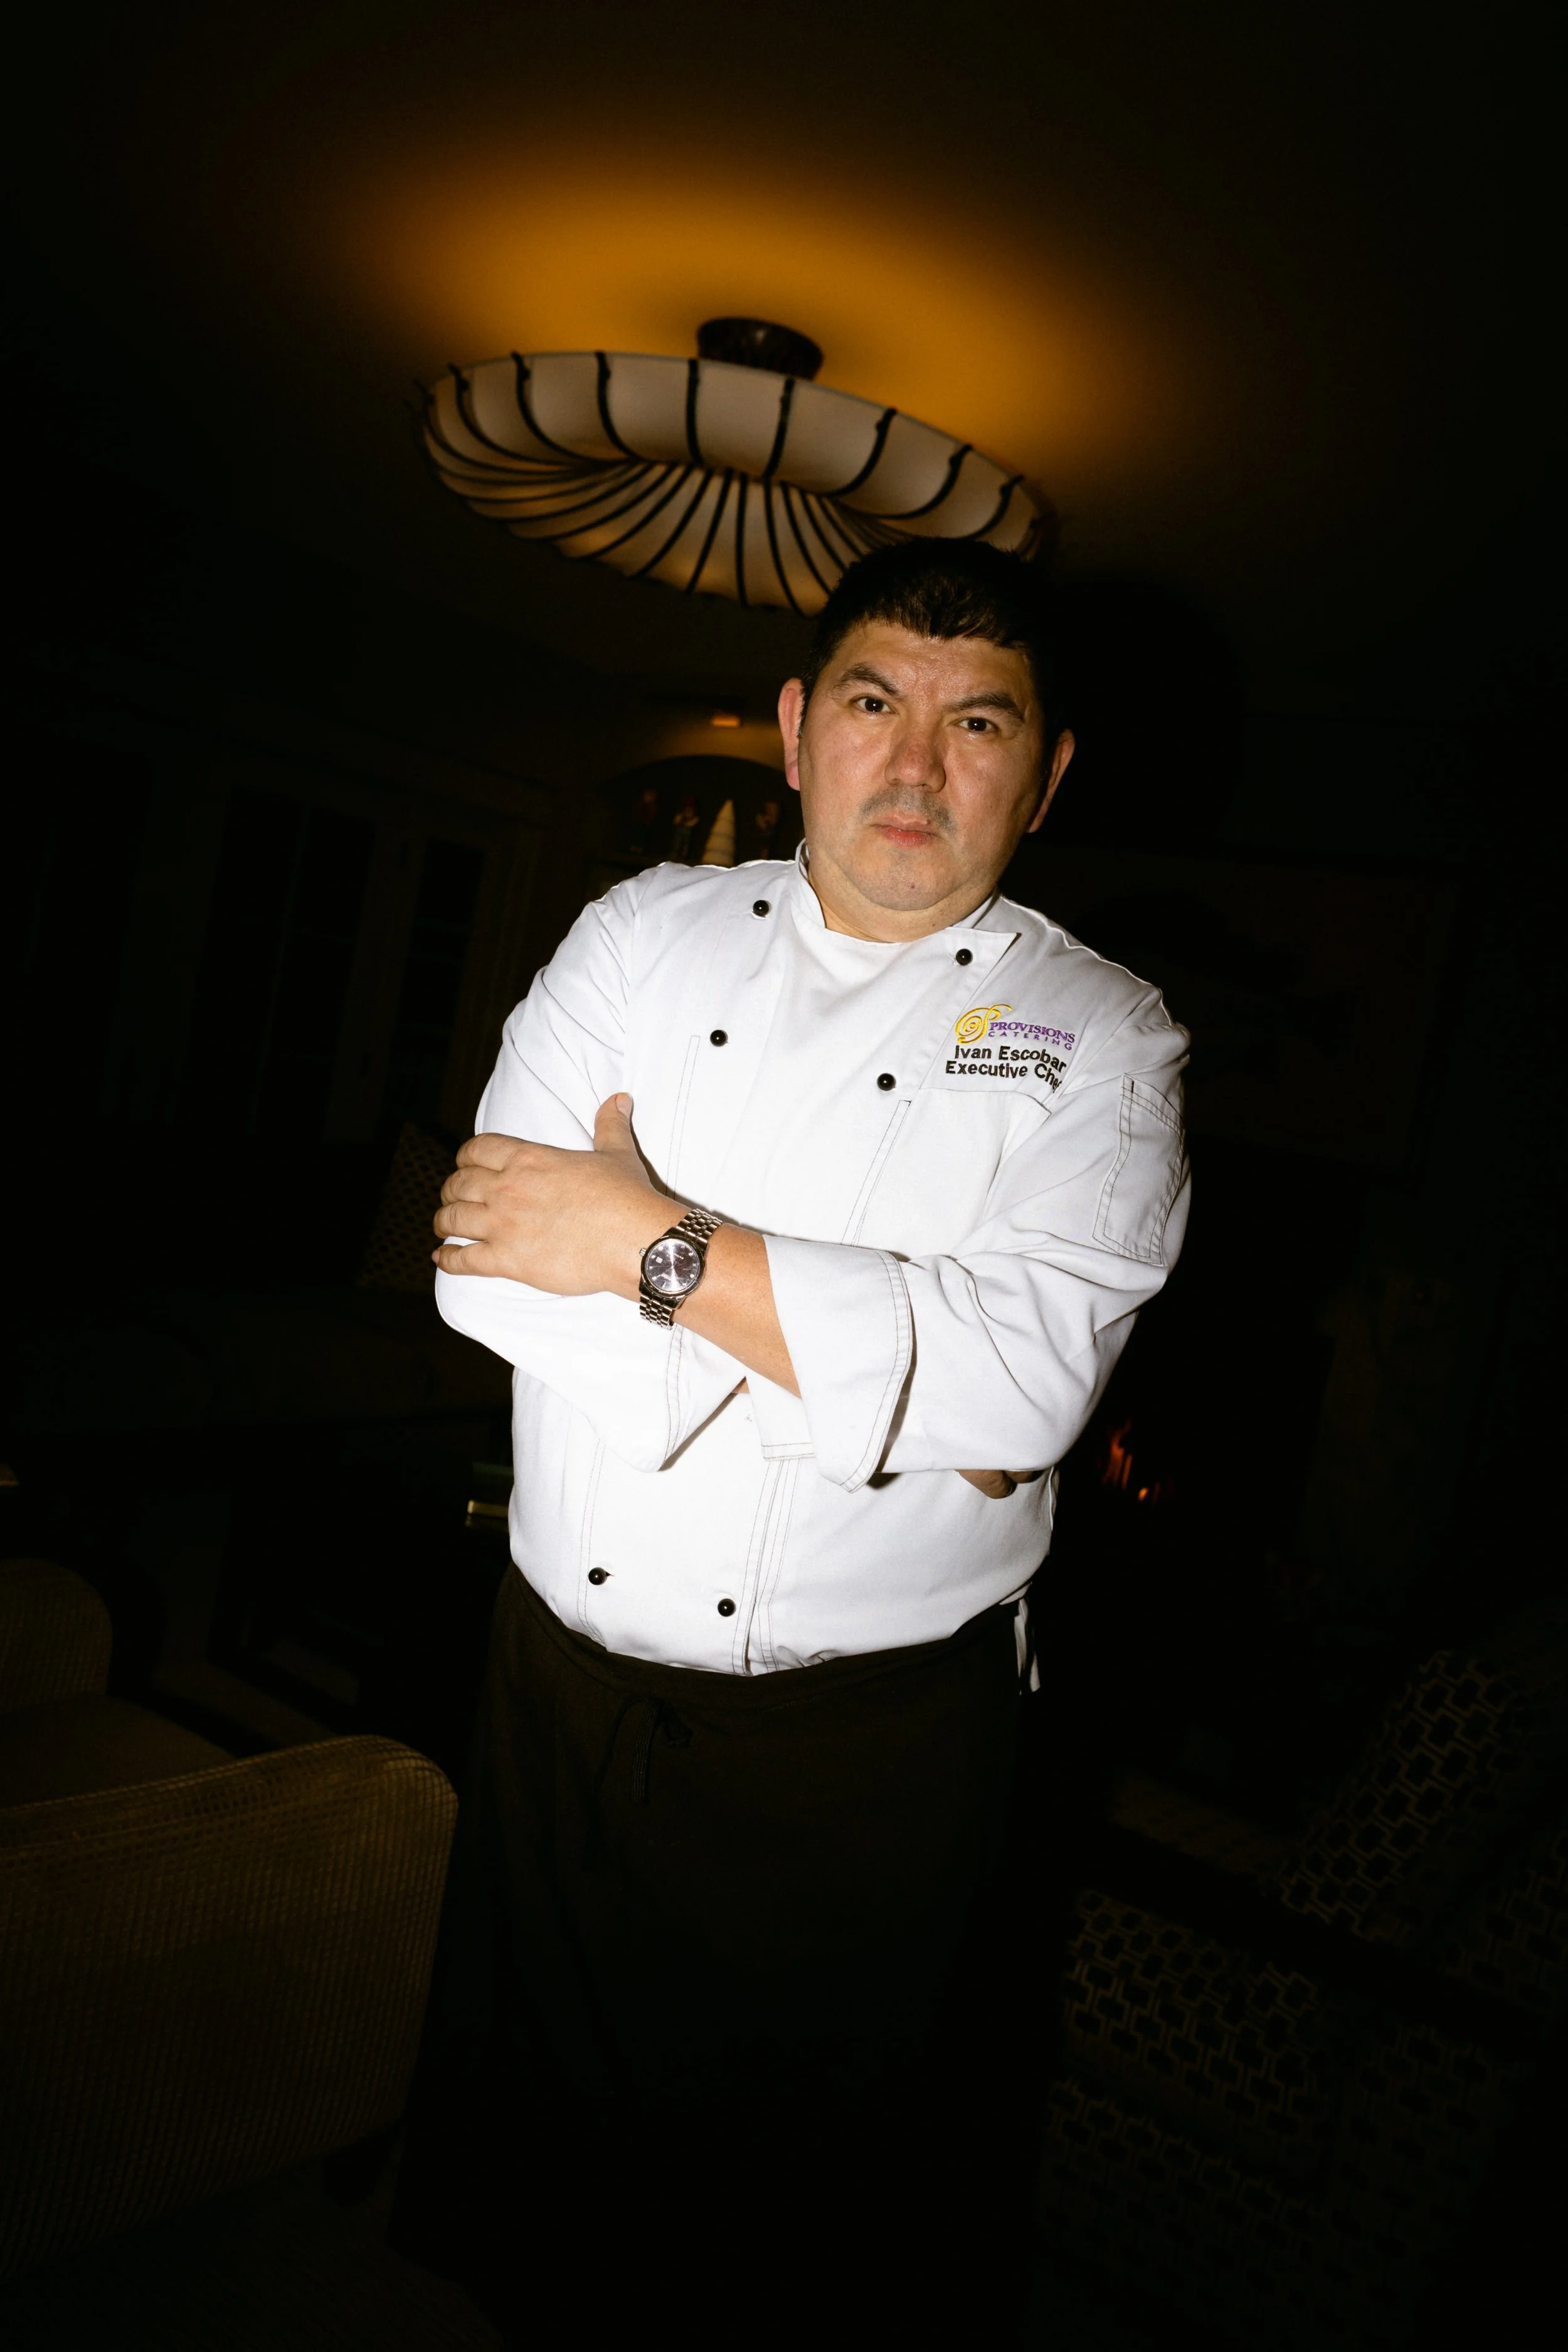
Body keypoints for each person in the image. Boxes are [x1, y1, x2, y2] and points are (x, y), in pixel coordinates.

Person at [391, 538, 1190, 2328]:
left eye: (976, 720)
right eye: (870, 702)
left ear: (1046, 773)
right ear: (792, 730)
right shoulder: (633, 930)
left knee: (787, 2249)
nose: (912, 766)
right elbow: (485, 1268)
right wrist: (869, 1374)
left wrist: (645, 1241)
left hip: (866, 1757)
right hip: (548, 1688)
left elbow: (1017, 1399)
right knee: (528, 2214)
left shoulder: (1107, 1035)